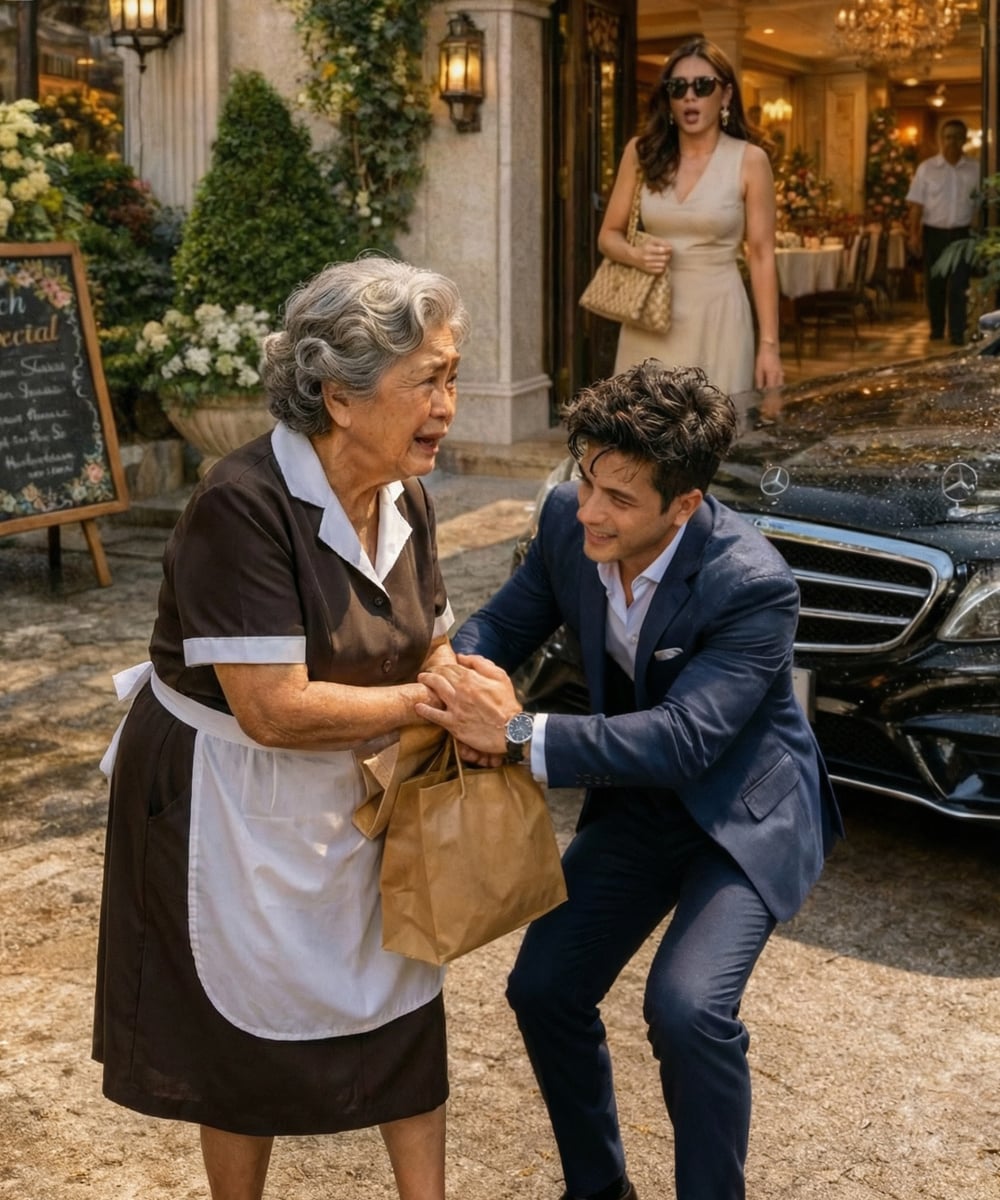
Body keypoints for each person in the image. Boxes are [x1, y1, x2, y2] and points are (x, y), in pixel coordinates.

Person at [415, 361, 843, 1200]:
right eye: (587, 480)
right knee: (543, 987)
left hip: (739, 816)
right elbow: (505, 622)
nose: (590, 511)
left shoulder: (754, 585)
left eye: (619, 497)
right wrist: (454, 676)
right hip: (637, 806)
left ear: (684, 505)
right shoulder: (565, 520)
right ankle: (599, 1189)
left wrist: (514, 734)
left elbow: (685, 740)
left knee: (688, 1010)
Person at [92, 257, 469, 1200]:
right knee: (242, 1036)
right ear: (340, 397)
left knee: (404, 1009)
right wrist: (432, 708)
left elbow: (429, 639)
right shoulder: (243, 502)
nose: (447, 407)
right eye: (428, 381)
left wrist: (462, 681)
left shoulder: (404, 493)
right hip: (232, 798)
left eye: (452, 378)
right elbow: (275, 709)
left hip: (359, 792)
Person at [596, 37, 783, 396]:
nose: (690, 97)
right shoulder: (641, 153)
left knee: (713, 422)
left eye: (703, 86)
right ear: (668, 98)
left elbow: (762, 255)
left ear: (726, 95)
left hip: (719, 319)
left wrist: (769, 346)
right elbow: (608, 235)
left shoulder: (750, 161)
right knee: (643, 424)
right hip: (650, 317)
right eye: (678, 88)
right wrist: (636, 254)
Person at [906, 118, 979, 345]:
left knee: (959, 285)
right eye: (948, 137)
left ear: (964, 140)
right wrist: (914, 235)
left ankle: (956, 332)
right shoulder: (927, 169)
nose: (951, 142)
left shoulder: (975, 169)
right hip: (934, 234)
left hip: (962, 235)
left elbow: (981, 204)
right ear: (941, 139)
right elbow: (916, 205)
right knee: (935, 284)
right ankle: (936, 328)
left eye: (957, 137)